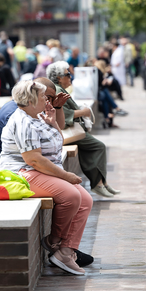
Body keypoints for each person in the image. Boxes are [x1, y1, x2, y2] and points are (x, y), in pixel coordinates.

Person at [0, 79, 93, 275]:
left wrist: (52, 122)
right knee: (72, 196)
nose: (47, 101)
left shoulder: (37, 117)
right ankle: (54, 242)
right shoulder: (22, 121)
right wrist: (66, 176)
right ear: (32, 100)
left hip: (37, 171)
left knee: (85, 200)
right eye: (43, 97)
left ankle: (65, 252)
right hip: (21, 173)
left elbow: (58, 144)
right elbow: (34, 160)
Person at [47, 61, 118, 198]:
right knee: (99, 146)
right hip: (67, 131)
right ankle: (99, 184)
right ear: (59, 77)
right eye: (67, 74)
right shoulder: (57, 90)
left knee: (90, 148)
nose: (70, 77)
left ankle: (101, 182)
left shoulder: (59, 89)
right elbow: (64, 114)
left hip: (67, 130)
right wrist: (84, 112)